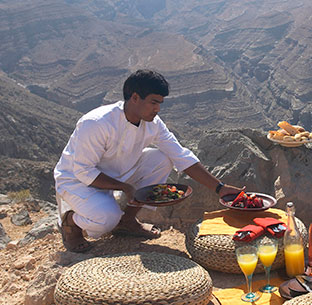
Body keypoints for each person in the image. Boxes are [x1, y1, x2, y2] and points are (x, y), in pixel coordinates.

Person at [54, 69, 244, 252]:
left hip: (118, 174)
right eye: (154, 102)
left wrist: (220, 188)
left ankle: (127, 222)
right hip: (77, 181)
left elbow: (180, 155)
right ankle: (71, 222)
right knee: (105, 220)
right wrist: (125, 187)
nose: (157, 109)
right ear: (135, 97)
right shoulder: (96, 123)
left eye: (160, 103)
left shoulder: (153, 123)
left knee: (162, 159)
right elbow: (84, 171)